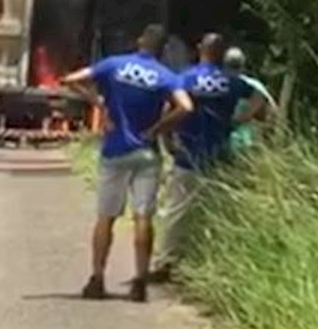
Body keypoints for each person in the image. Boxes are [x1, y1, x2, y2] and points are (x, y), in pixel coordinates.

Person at [60, 24, 193, 303]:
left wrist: (99, 104)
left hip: (114, 152)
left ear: (140, 41)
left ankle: (97, 279)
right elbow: (186, 107)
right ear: (161, 49)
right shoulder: (165, 76)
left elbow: (71, 79)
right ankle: (140, 282)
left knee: (106, 218)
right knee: (143, 217)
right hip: (146, 154)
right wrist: (157, 128)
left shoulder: (114, 65)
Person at [151, 34, 266, 281]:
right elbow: (259, 98)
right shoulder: (231, 81)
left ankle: (165, 262)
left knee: (177, 210)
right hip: (219, 155)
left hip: (188, 154)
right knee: (216, 210)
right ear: (223, 53)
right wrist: (239, 120)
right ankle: (207, 261)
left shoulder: (186, 78)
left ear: (199, 49)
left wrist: (167, 140)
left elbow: (170, 109)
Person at [223, 46, 278, 152]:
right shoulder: (255, 85)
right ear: (243, 66)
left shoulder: (218, 85)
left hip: (223, 144)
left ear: (224, 65)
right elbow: (273, 112)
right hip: (251, 144)